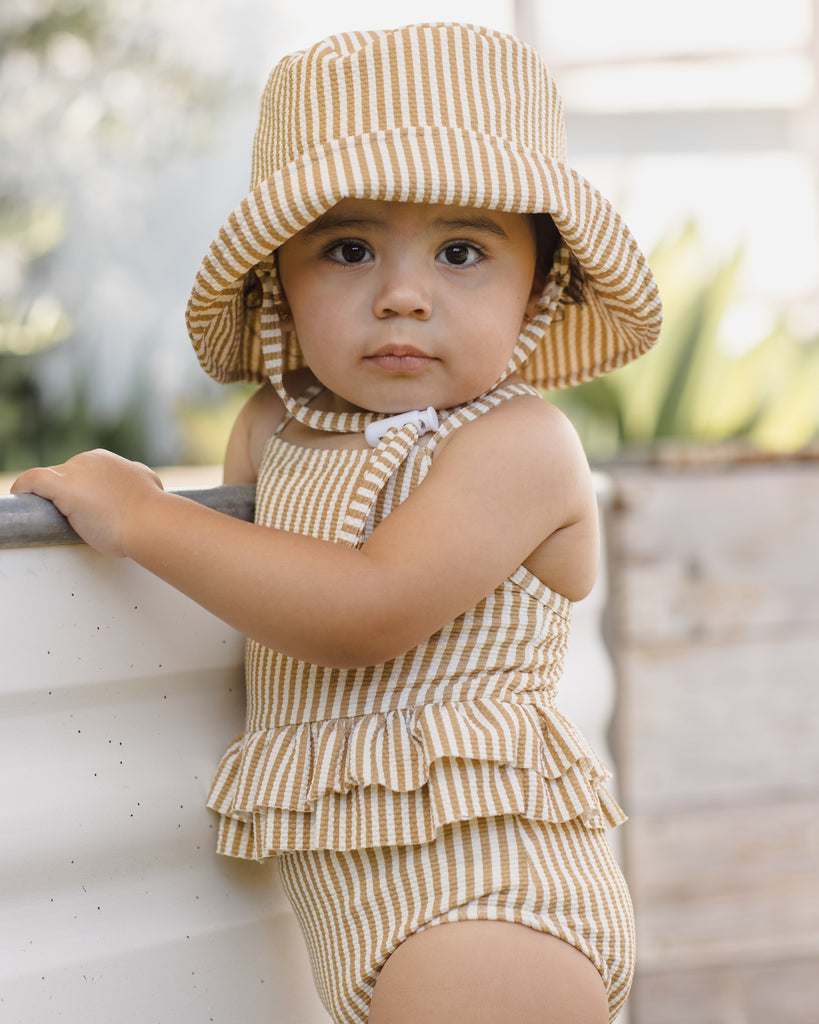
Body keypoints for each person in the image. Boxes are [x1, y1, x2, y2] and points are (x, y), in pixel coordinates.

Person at [12, 23, 662, 1024]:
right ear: (279, 276)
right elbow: (251, 579)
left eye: (461, 252)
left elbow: (368, 609)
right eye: (349, 249)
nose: (401, 296)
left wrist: (143, 517)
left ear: (539, 284)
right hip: (350, 909)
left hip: (489, 895)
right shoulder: (277, 427)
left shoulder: (516, 445)